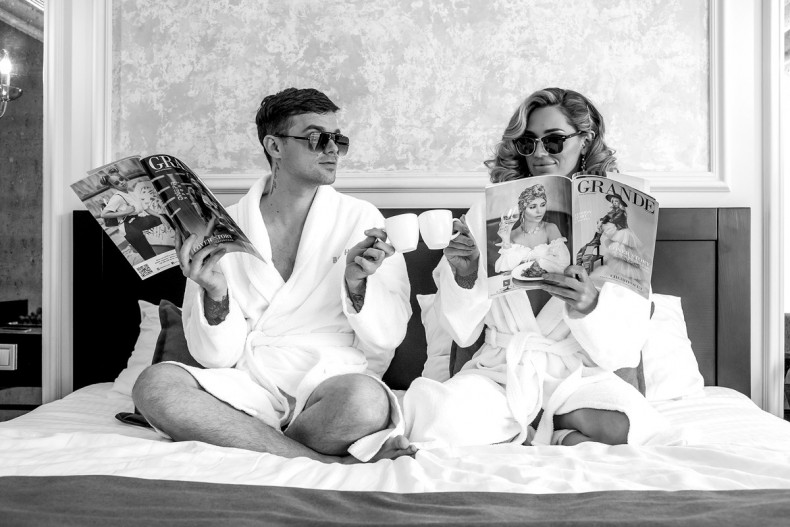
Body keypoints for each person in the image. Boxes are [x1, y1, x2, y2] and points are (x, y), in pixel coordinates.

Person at [133, 88, 414, 464]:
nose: (333, 149)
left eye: (338, 139)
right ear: (274, 146)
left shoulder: (362, 220)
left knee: (366, 403)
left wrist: (356, 283)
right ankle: (319, 459)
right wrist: (216, 292)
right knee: (154, 385)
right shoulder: (221, 226)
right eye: (317, 138)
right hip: (251, 382)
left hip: (330, 380)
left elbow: (389, 336)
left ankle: (249, 440)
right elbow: (215, 358)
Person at [403, 87, 672, 448]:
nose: (540, 153)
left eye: (554, 140)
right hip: (502, 374)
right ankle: (543, 424)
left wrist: (590, 305)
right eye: (528, 143)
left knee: (635, 428)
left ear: (585, 139)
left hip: (578, 377)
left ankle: (546, 423)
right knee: (433, 417)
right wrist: (465, 275)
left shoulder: (620, 221)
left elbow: (623, 350)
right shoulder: (487, 213)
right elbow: (462, 333)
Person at [494, 183, 569, 274]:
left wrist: (523, 266)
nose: (539, 211)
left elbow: (563, 265)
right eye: (532, 207)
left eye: (542, 205)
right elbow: (504, 270)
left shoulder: (550, 228)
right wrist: (506, 240)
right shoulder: (512, 234)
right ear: (522, 209)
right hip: (521, 282)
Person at [100, 169, 171, 260]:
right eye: (117, 183)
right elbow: (104, 214)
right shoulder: (117, 197)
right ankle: (141, 250)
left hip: (137, 221)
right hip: (127, 227)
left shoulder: (132, 193)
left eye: (121, 179)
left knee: (165, 217)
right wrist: (126, 212)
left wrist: (160, 216)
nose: (121, 182)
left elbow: (147, 209)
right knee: (149, 254)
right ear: (113, 186)